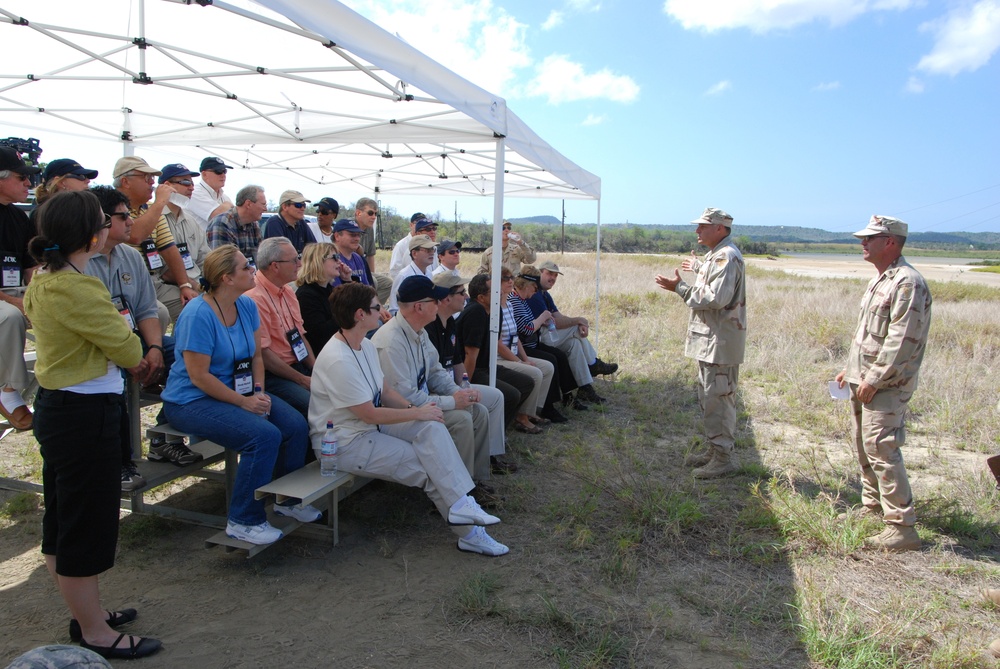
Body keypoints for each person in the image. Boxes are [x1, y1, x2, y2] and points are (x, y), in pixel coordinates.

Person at [24, 190, 161, 659]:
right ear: (91, 232)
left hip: (61, 409)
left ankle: (89, 615)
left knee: (65, 517)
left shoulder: (44, 277)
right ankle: (94, 632)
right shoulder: (78, 285)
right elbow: (126, 349)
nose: (112, 226)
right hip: (84, 413)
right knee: (85, 524)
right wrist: (135, 352)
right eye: (106, 220)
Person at [308, 281, 509, 556]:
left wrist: (419, 412)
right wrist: (415, 411)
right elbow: (367, 413)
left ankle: (463, 504)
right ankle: (470, 533)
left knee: (432, 425)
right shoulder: (338, 359)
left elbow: (386, 391)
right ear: (359, 315)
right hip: (344, 443)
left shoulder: (363, 346)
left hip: (370, 429)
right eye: (376, 307)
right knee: (430, 468)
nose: (383, 311)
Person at [161, 245, 320, 545]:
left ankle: (287, 501)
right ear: (226, 278)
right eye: (245, 268)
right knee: (263, 436)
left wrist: (258, 393)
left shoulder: (246, 306)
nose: (252, 271)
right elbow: (199, 377)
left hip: (238, 391)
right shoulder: (197, 314)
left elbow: (256, 357)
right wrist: (244, 402)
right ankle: (243, 520)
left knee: (296, 426)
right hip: (191, 400)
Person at [834, 215, 931, 552]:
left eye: (870, 238)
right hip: (866, 381)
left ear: (890, 242)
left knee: (883, 449)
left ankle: (902, 528)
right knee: (866, 446)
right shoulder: (882, 279)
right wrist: (851, 370)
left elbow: (901, 340)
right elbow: (869, 335)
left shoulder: (907, 282)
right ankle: (874, 507)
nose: (863, 243)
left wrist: (874, 378)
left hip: (887, 385)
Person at [87, 186, 193, 491]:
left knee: (192, 356)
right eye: (124, 216)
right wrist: (134, 355)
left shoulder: (131, 258)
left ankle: (163, 436)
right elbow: (98, 327)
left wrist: (157, 348)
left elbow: (147, 308)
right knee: (114, 384)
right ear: (103, 220)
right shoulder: (80, 261)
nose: (132, 222)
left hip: (138, 340)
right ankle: (120, 461)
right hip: (102, 348)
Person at [372, 275, 493, 493]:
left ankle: (475, 478)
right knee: (461, 419)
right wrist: (451, 402)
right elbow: (404, 398)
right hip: (396, 415)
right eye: (435, 300)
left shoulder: (419, 331)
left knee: (478, 411)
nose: (439, 304)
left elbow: (436, 372)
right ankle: (459, 492)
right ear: (419, 307)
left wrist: (460, 394)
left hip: (418, 405)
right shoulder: (391, 342)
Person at [655, 207, 746, 479]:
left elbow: (715, 298)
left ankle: (723, 457)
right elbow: (713, 280)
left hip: (720, 342)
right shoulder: (716, 256)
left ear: (719, 228)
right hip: (712, 341)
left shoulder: (726, 257)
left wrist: (679, 288)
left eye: (703, 226)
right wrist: (697, 266)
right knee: (709, 398)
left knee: (718, 400)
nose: (697, 230)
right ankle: (714, 450)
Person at [427, 272, 515, 475]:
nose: (466, 296)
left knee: (495, 397)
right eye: (461, 292)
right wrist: (459, 390)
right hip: (437, 391)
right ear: (445, 299)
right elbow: (439, 370)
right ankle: (467, 474)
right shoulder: (429, 327)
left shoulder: (449, 322)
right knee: (476, 409)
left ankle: (490, 456)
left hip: (452, 385)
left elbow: (457, 361)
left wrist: (465, 386)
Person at [113, 156, 196, 324]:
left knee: (197, 306)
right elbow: (134, 235)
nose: (152, 182)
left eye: (152, 178)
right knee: (160, 313)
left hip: (153, 283)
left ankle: (180, 349)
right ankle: (156, 348)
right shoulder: (113, 209)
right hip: (125, 285)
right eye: (146, 178)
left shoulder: (150, 209)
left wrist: (184, 286)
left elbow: (169, 248)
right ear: (125, 181)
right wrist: (160, 203)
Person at [454, 274, 539, 435]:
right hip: (473, 370)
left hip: (488, 365)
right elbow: (469, 355)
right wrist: (466, 386)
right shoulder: (475, 312)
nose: (499, 292)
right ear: (480, 297)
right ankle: (490, 437)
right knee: (511, 394)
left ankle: (500, 429)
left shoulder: (495, 310)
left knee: (526, 383)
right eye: (493, 291)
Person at [528, 260, 617, 406]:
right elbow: (555, 323)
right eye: (549, 273)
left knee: (574, 344)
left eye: (556, 276)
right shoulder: (535, 293)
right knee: (575, 328)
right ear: (540, 273)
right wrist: (580, 321)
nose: (553, 278)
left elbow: (559, 317)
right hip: (536, 338)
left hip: (548, 334)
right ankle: (594, 364)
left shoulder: (545, 294)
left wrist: (581, 321)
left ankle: (584, 387)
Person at [246, 237, 317, 418]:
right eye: (294, 260)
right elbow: (263, 354)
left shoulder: (287, 291)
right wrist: (302, 380)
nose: (300, 263)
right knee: (316, 405)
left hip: (298, 366)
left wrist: (317, 370)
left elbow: (300, 336)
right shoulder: (255, 298)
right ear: (275, 266)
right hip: (274, 374)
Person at [0, 146, 40, 430]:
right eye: (21, 177)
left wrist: (39, 292)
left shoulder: (17, 216)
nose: (28, 183)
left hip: (14, 292)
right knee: (10, 317)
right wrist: (15, 302)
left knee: (56, 305)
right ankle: (7, 391)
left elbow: (30, 266)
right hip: (5, 299)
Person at [509, 266, 576, 420]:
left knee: (558, 355)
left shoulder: (522, 300)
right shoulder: (515, 300)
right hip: (523, 347)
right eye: (535, 288)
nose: (536, 292)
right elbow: (526, 329)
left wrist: (543, 322)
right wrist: (543, 317)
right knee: (551, 359)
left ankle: (567, 395)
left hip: (530, 344)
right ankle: (546, 406)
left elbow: (528, 324)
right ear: (527, 285)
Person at [497, 269, 558, 428]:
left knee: (548, 366)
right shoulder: (499, 306)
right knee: (538, 371)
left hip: (515, 351)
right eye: (506, 278)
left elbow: (515, 335)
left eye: (512, 277)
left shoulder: (510, 304)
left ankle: (533, 411)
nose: (511, 281)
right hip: (501, 357)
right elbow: (525, 330)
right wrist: (520, 361)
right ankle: (522, 416)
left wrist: (525, 359)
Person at [158, 163, 212, 288]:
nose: (192, 188)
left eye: (192, 183)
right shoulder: (155, 219)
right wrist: (193, 286)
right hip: (171, 286)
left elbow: (205, 260)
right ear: (167, 185)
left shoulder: (191, 222)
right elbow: (163, 272)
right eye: (186, 183)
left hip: (197, 283)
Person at [294, 241, 351, 354]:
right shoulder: (306, 295)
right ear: (318, 261)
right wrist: (346, 314)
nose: (339, 262)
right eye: (335, 257)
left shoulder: (327, 288)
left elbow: (354, 302)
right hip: (323, 353)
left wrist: (347, 281)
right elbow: (321, 333)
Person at [206, 184, 267, 265]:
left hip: (249, 274)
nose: (265, 209)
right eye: (263, 204)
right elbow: (223, 265)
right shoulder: (222, 224)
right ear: (248, 204)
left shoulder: (254, 224)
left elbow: (261, 257)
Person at [351, 197, 393, 304]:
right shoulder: (348, 227)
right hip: (349, 270)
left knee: (387, 283)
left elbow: (370, 255)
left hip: (363, 270)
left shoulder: (369, 229)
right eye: (370, 213)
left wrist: (371, 274)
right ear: (358, 213)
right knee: (373, 282)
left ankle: (374, 309)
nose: (374, 217)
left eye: (376, 214)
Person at [386, 234, 435, 315]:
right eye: (427, 250)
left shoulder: (430, 275)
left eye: (433, 249)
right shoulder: (404, 276)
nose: (432, 253)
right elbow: (394, 309)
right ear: (414, 253)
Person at [186, 156, 234, 230]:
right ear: (204, 174)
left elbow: (236, 219)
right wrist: (229, 205)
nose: (223, 175)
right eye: (218, 171)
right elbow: (219, 214)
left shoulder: (224, 197)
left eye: (224, 171)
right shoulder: (194, 192)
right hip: (199, 241)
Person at [33, 158, 98, 208]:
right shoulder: (51, 213)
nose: (88, 181)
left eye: (87, 177)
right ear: (60, 182)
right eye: (80, 176)